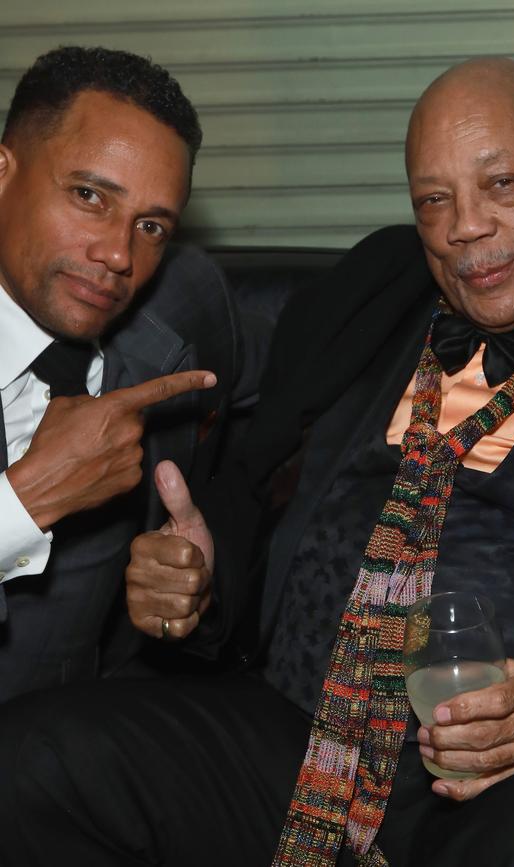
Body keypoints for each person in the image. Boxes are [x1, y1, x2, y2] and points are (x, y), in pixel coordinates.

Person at [0, 56, 514, 867]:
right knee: (32, 765)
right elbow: (253, 493)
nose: (465, 227)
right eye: (434, 201)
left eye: (503, 186)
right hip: (295, 733)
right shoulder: (372, 293)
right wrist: (206, 578)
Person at [0, 45, 241, 702]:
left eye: (153, 225)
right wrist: (23, 503)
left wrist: (191, 587)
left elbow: (255, 457)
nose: (117, 254)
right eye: (88, 195)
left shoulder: (186, 307)